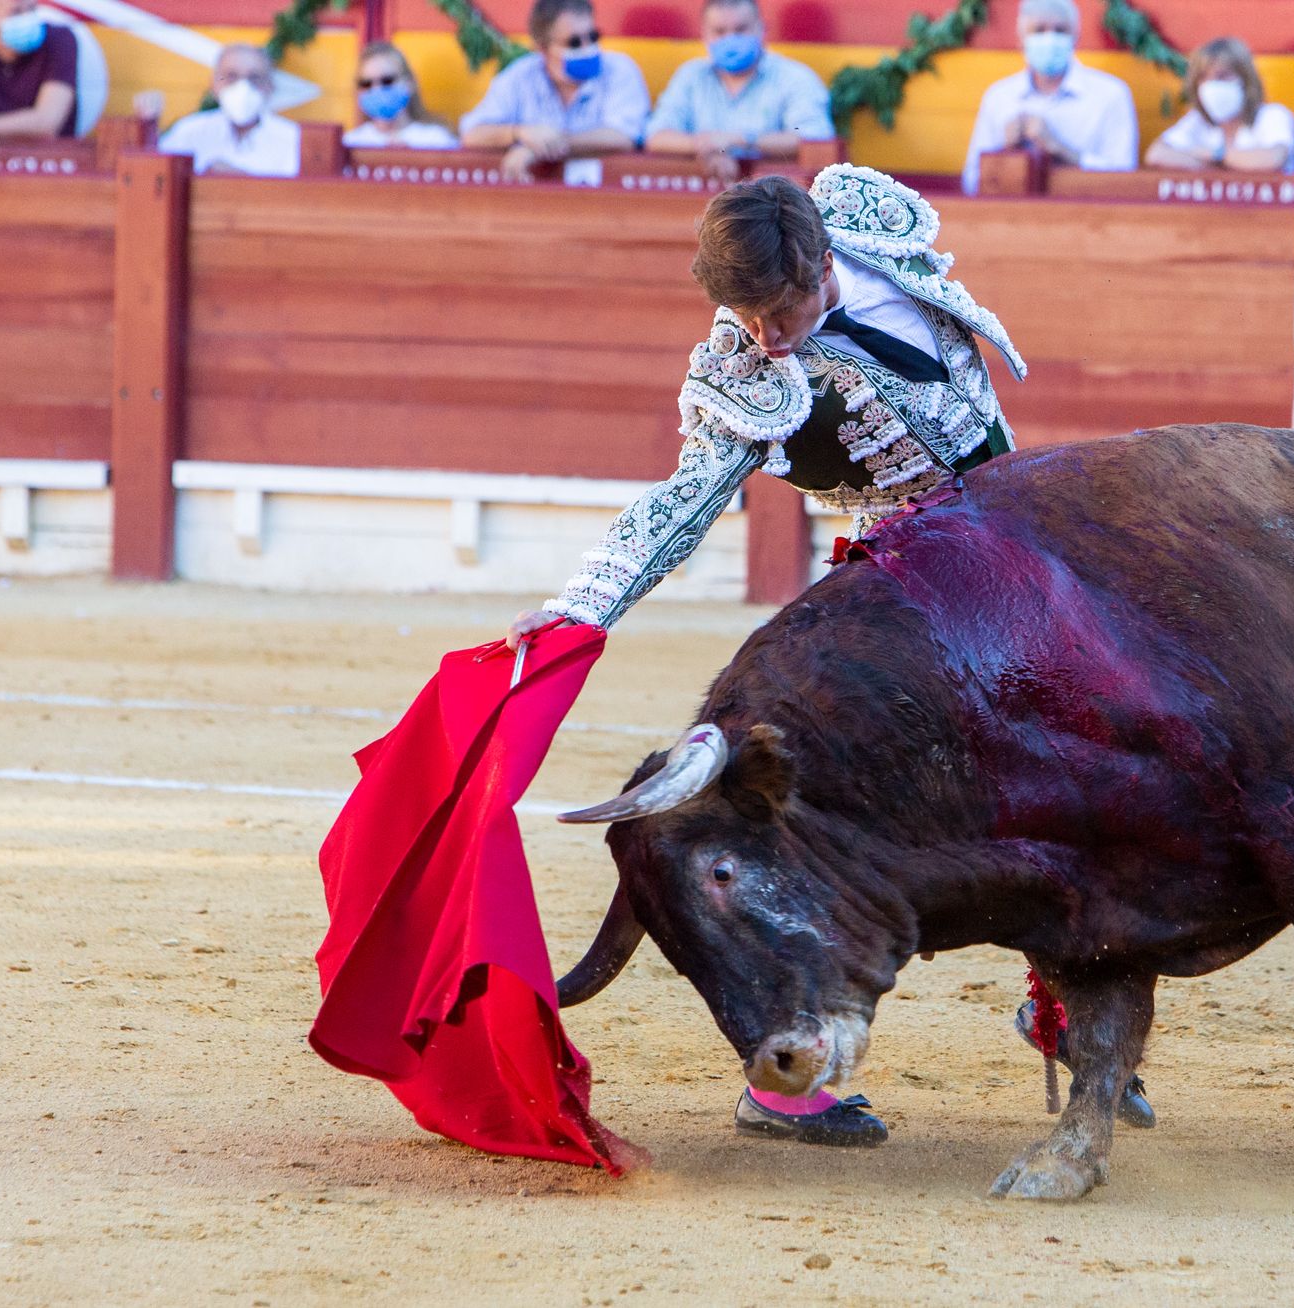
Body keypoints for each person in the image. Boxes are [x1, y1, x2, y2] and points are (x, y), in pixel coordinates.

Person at [501, 165, 1155, 1146]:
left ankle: (1058, 1013)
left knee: (1099, 765)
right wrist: (575, 610)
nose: (763, 335)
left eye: (779, 306)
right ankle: (786, 1074)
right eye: (742, 314)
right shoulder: (744, 368)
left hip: (1019, 556)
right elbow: (678, 503)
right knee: (836, 826)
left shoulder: (869, 225)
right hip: (898, 593)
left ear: (819, 260)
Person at [459, 0, 649, 183]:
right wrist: (518, 133)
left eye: (593, 37)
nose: (587, 48)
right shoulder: (520, 76)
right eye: (574, 42)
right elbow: (473, 133)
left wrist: (541, 148)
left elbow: (623, 137)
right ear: (542, 48)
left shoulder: (619, 70)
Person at [960, 0, 1138, 195]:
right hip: (1013, 218)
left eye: (1060, 30)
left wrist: (1060, 150)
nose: (1050, 39)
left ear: (1076, 37)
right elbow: (971, 183)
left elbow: (1124, 178)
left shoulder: (1110, 94)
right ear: (1021, 39)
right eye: (1038, 30)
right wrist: (1005, 151)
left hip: (1086, 217)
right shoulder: (999, 96)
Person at [644, 0, 834, 182]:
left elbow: (814, 139)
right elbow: (656, 136)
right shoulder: (691, 76)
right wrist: (707, 147)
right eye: (719, 31)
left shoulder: (794, 77)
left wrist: (740, 140)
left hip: (776, 199)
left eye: (740, 29)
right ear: (705, 34)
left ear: (761, 28)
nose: (730, 38)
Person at [1144, 36, 1294, 172]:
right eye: (1203, 78)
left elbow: (1273, 159)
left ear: (1246, 80)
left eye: (1222, 76)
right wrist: (1227, 165)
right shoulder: (1198, 121)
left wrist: (1216, 155)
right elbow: (1157, 154)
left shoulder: (1272, 115)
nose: (1211, 86)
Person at [154, 44, 300, 177]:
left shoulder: (293, 139)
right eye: (231, 77)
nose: (243, 88)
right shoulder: (188, 132)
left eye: (254, 78)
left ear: (270, 86)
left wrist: (239, 179)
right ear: (214, 83)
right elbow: (158, 178)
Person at [0, 0, 79, 141]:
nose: (26, 18)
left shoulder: (60, 39)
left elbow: (47, 123)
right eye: (15, 12)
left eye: (32, 9)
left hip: (49, 158)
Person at [344, 40, 456, 149]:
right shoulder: (350, 144)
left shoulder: (437, 141)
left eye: (387, 81)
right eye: (366, 84)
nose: (376, 89)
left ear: (409, 83)